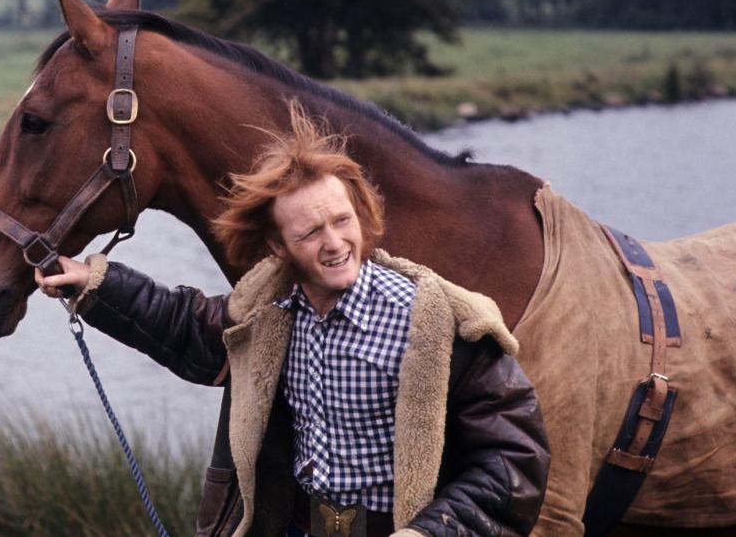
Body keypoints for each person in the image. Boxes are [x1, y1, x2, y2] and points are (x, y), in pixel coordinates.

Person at [36, 105, 550, 537]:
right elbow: (189, 328)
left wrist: (428, 532)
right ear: (279, 246)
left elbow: (514, 459)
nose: (334, 243)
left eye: (342, 221)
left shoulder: (440, 325)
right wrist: (93, 284)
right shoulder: (268, 314)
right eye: (310, 233)